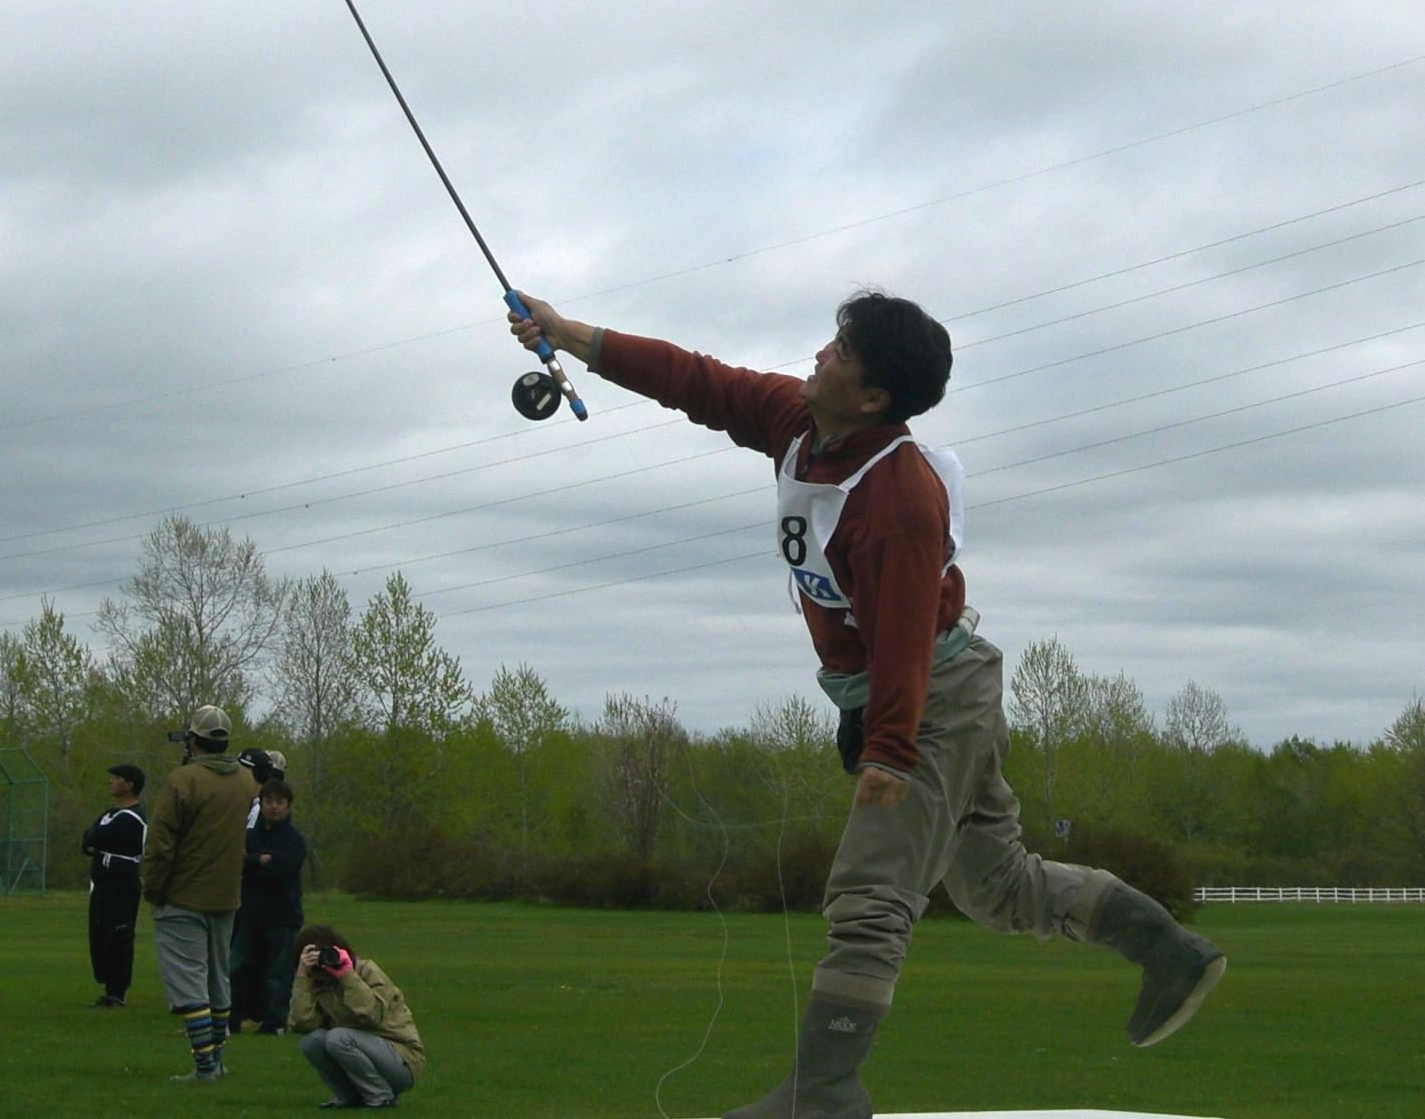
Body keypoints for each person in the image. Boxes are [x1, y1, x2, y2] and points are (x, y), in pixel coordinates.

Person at [509, 290, 1225, 1119]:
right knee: (998, 888)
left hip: (931, 694)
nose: (821, 354)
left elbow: (906, 643)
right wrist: (569, 334)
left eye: (841, 351)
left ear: (875, 397)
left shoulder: (899, 502)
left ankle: (824, 1095)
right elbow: (696, 380)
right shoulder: (800, 423)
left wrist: (887, 750)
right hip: (907, 689)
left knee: (868, 898)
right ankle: (1167, 949)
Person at [140, 704, 261, 1083]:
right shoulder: (245, 780)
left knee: (190, 982)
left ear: (193, 741)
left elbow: (160, 843)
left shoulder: (183, 780)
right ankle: (218, 1060)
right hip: (226, 895)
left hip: (183, 895)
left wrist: (153, 886)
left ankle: (205, 1065)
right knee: (218, 978)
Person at [287, 924, 425, 1110]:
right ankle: (348, 1097)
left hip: (402, 1059)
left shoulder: (366, 970)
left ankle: (381, 1097)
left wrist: (347, 975)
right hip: (360, 1050)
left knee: (338, 1038)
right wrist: (302, 977)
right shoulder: (316, 982)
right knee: (311, 1041)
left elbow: (371, 1015)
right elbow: (302, 1023)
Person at [230, 778, 307, 1035]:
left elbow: (283, 869)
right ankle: (232, 1018)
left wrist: (256, 863)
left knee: (278, 972)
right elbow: (238, 863)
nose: (274, 807)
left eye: (280, 802)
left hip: (283, 915)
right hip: (250, 914)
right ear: (261, 804)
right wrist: (257, 861)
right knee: (238, 967)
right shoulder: (250, 836)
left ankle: (274, 1023)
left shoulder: (295, 839)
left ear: (288, 806)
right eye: (269, 801)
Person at [81, 763, 148, 1008]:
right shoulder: (110, 814)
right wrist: (94, 840)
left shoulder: (132, 817)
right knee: (99, 934)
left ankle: (117, 991)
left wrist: (96, 841)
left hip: (121, 885)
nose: (111, 781)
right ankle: (107, 985)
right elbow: (87, 839)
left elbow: (97, 837)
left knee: (118, 935)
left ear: (129, 785)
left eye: (117, 778)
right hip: (101, 885)